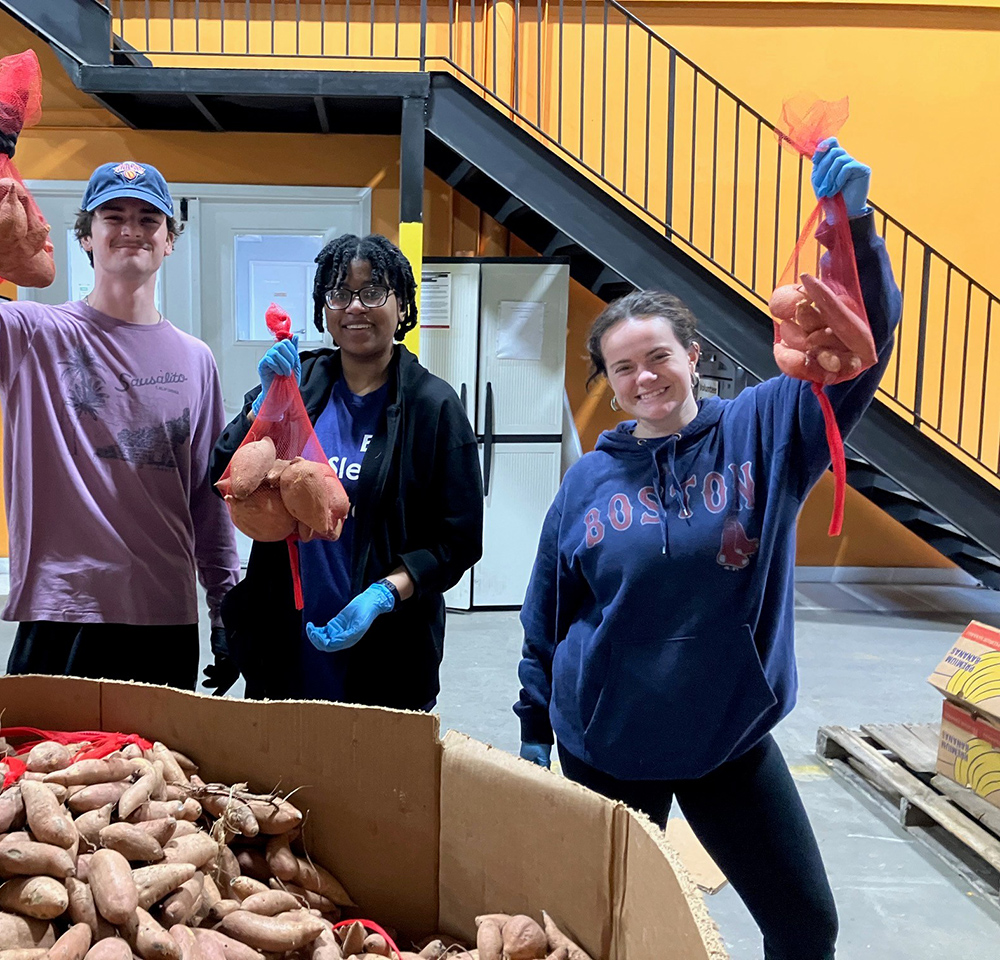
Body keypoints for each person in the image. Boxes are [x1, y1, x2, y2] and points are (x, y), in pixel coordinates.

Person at [514, 139, 898, 960]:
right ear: (608, 384)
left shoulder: (766, 431)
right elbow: (547, 614)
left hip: (727, 739)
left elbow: (855, 351)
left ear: (693, 357)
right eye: (623, 369)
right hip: (608, 747)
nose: (644, 378)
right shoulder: (587, 483)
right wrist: (534, 727)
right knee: (605, 933)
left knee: (806, 924)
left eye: (658, 357)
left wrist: (854, 229)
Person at [0, 102, 238, 692]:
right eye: (113, 215)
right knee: (44, 777)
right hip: (63, 610)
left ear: (170, 243)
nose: (131, 229)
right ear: (86, 237)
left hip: (163, 612)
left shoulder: (196, 360)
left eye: (148, 219)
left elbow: (207, 498)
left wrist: (225, 605)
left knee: (155, 781)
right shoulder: (33, 335)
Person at [210, 234, 483, 708]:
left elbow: (458, 538)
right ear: (325, 310)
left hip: (386, 642)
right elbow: (225, 473)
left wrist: (385, 593)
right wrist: (265, 404)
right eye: (340, 293)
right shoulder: (303, 384)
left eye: (374, 291)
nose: (355, 306)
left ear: (401, 307)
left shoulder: (433, 406)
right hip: (285, 631)